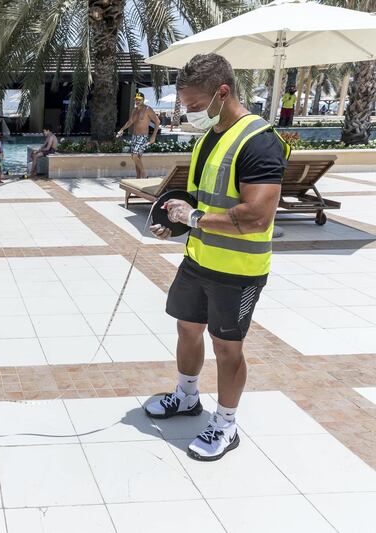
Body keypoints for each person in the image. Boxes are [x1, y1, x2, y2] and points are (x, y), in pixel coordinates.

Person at [147, 53, 289, 462]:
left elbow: (258, 216)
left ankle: (226, 423)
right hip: (199, 259)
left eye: (193, 105)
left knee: (227, 348)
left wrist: (194, 217)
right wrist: (175, 222)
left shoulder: (259, 140)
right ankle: (187, 396)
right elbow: (199, 199)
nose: (187, 113)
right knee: (187, 328)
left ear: (222, 93)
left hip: (238, 271)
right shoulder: (210, 136)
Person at [116, 92, 160, 179]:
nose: (137, 101)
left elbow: (157, 121)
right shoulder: (135, 110)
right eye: (136, 99)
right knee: (138, 158)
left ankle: (144, 174)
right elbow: (130, 122)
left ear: (143, 100)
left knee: (134, 156)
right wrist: (122, 129)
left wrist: (153, 136)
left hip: (143, 137)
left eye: (139, 99)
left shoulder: (148, 109)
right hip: (134, 136)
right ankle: (138, 178)